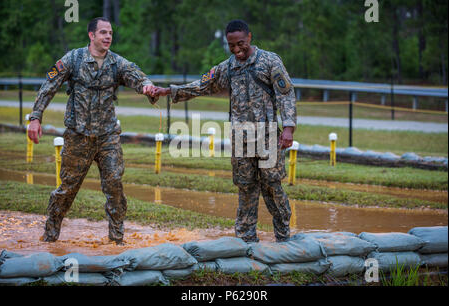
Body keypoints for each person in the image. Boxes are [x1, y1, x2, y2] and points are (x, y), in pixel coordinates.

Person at [151, 20, 297, 242]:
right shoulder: (228, 67)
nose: (237, 50)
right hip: (241, 138)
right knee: (245, 187)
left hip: (267, 138)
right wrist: (168, 91)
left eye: (241, 44)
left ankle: (284, 235)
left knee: (271, 185)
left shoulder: (270, 61)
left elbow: (285, 94)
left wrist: (288, 128)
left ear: (250, 37)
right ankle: (246, 239)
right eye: (232, 46)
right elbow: (202, 85)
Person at [27, 17, 158, 245]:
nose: (108, 37)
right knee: (67, 189)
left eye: (110, 33)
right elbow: (48, 86)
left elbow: (137, 76)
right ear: (92, 35)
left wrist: (147, 87)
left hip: (108, 136)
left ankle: (117, 240)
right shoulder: (73, 59)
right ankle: (50, 234)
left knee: (114, 184)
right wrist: (36, 117)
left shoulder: (117, 63)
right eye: (103, 32)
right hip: (78, 136)